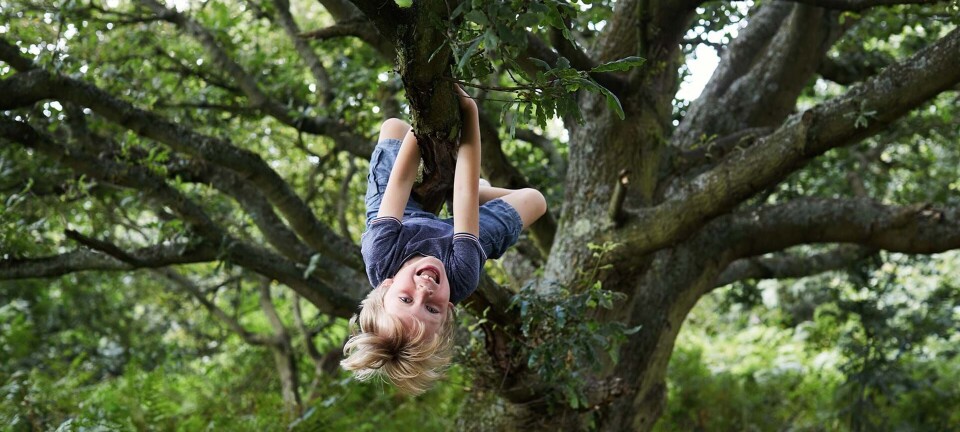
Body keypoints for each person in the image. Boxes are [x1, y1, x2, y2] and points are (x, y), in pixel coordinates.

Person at [341, 85, 547, 395]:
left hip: (403, 217)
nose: (424, 292)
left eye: (407, 299)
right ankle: (479, 192)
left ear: (386, 286)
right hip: (456, 237)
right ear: (449, 308)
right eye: (432, 310)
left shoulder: (380, 254)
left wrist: (422, 123)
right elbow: (464, 195)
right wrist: (469, 112)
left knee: (393, 127)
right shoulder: (462, 274)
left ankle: (472, 190)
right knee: (536, 200)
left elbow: (400, 180)